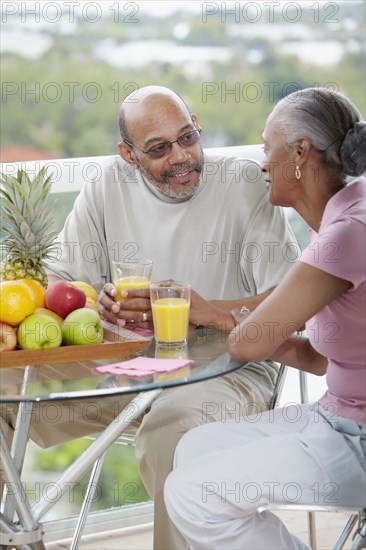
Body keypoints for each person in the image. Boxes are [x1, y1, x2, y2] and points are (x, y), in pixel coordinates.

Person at [1, 86, 296, 549]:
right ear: (128, 155)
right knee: (2, 397)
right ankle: (18, 538)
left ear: (197, 125)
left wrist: (207, 312)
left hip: (230, 368)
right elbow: (59, 280)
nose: (181, 156)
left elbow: (291, 300)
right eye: (158, 149)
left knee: (174, 431)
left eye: (188, 138)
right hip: (128, 369)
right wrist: (90, 301)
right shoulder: (105, 188)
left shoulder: (244, 184)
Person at [164, 87, 366, 549]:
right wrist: (224, 317)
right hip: (337, 416)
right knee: (194, 448)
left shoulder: (348, 233)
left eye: (265, 147)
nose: (260, 163)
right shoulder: (340, 219)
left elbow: (248, 345)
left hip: (358, 440)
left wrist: (221, 320)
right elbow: (318, 359)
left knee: (191, 493)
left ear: (299, 153)